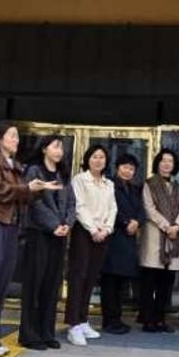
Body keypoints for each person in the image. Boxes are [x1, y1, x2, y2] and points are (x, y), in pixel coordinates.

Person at [0, 122, 60, 357]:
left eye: (17, 136)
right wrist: (26, 188)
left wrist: (37, 189)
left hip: (11, 227)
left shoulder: (15, 166)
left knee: (0, 285)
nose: (16, 140)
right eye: (12, 136)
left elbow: (20, 196)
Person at [19, 135, 75, 351]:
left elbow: (72, 203)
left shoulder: (63, 174)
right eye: (55, 146)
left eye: (61, 147)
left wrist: (67, 224)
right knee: (35, 284)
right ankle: (29, 334)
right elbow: (35, 203)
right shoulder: (34, 171)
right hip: (39, 234)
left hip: (59, 236)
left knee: (52, 285)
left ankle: (46, 332)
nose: (59, 151)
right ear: (44, 149)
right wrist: (54, 225)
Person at [65, 145, 117, 346]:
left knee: (91, 277)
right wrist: (93, 229)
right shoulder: (79, 180)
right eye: (94, 156)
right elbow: (79, 206)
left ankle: (83, 319)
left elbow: (113, 208)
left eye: (102, 157)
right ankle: (73, 324)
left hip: (102, 234)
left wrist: (106, 229)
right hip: (84, 233)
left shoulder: (108, 184)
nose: (98, 160)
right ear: (87, 159)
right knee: (78, 277)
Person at [139, 148, 179, 333]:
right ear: (157, 163)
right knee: (150, 281)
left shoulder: (177, 187)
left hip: (173, 239)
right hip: (155, 238)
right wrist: (167, 226)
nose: (167, 164)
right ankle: (147, 320)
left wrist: (178, 226)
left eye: (170, 161)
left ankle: (160, 319)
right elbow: (149, 209)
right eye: (163, 160)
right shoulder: (149, 184)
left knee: (166, 284)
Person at [100, 153, 146, 335]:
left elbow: (141, 210)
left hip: (128, 240)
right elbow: (109, 208)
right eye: (125, 167)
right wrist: (126, 222)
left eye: (132, 169)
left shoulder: (134, 188)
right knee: (110, 282)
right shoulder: (109, 185)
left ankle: (117, 318)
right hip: (113, 237)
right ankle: (109, 320)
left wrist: (137, 222)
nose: (128, 171)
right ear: (117, 167)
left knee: (121, 283)